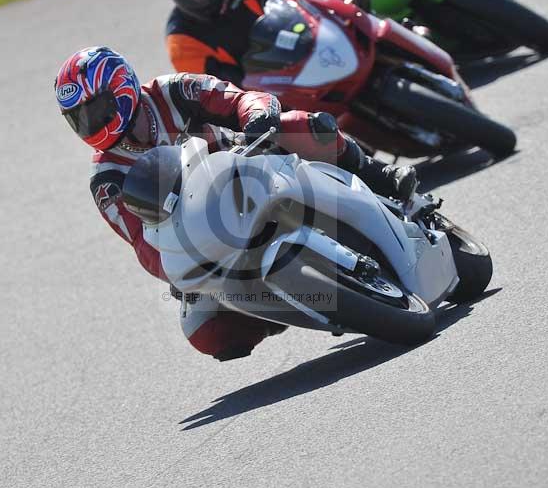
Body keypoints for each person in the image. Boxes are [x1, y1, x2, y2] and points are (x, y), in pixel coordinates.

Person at [55, 46, 417, 361]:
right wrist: (175, 268)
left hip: (249, 168)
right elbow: (141, 244)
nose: (90, 124)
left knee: (300, 127)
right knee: (208, 333)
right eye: (79, 119)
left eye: (96, 109)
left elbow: (237, 97)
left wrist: (258, 116)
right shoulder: (106, 178)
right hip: (202, 235)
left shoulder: (172, 91)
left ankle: (380, 175)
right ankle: (282, 309)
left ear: (120, 88)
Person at [161, 0, 367, 85]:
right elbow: (217, 90)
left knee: (361, 18)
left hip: (315, 42)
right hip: (276, 93)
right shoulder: (181, 41)